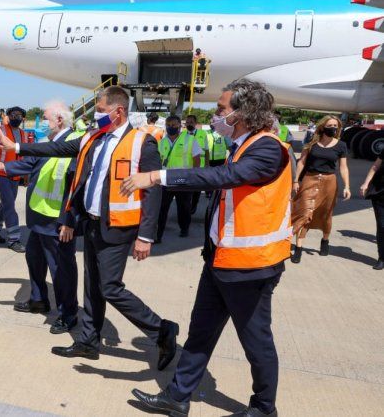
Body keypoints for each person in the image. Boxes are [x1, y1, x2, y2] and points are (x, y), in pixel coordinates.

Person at [125, 79, 292, 417]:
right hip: (221, 260)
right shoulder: (243, 144)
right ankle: (178, 396)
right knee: (200, 332)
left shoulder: (269, 148)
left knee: (255, 342)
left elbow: (221, 178)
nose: (215, 114)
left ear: (242, 114)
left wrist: (159, 176)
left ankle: (263, 408)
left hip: (250, 267)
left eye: (221, 109)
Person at [0, 86, 179, 368]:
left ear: (118, 112)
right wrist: (15, 147)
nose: (96, 116)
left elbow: (154, 192)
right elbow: (57, 147)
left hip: (118, 226)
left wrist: (145, 235)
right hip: (91, 223)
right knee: (92, 288)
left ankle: (160, 329)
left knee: (110, 287)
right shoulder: (93, 137)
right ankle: (88, 342)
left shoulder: (142, 143)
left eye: (101, 111)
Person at [0, 102, 83, 333]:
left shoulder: (74, 144)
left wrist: (68, 220)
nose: (44, 122)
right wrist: (5, 167)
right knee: (35, 261)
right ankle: (38, 300)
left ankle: (68, 313)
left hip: (57, 221)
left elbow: (76, 187)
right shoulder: (50, 142)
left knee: (61, 270)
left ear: (59, 120)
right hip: (38, 216)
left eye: (47, 118)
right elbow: (32, 161)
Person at [290, 115, 351, 264]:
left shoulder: (341, 145)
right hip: (309, 180)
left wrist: (347, 186)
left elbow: (343, 167)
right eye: (330, 126)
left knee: (325, 215)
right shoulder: (311, 144)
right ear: (323, 127)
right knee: (305, 212)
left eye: (336, 126)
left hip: (329, 183)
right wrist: (296, 180)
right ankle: (298, 248)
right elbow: (301, 163)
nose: (333, 129)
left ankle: (325, 240)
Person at [0, 106, 27, 253]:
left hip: (15, 176)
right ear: (8, 116)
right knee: (9, 206)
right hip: (0, 176)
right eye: (13, 114)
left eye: (19, 115)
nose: (16, 117)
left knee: (5, 205)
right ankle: (14, 239)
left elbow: (24, 156)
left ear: (23, 118)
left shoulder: (23, 134)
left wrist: (25, 176)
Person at [156, 115, 201, 243]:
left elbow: (196, 159)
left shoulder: (190, 139)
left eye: (174, 125)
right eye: (169, 125)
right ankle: (158, 234)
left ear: (179, 127)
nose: (171, 127)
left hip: (183, 180)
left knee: (184, 207)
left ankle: (184, 228)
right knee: (162, 208)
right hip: (165, 180)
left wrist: (194, 176)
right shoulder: (162, 142)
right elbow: (158, 161)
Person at [360, 152, 384, 270]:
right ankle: (382, 258)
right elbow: (375, 166)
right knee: (382, 226)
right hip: (380, 193)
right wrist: (366, 183)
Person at [185, 115, 210, 214]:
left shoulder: (202, 134)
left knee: (197, 189)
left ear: (195, 123)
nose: (189, 124)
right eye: (187, 122)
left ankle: (194, 205)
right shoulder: (183, 135)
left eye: (191, 122)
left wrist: (207, 165)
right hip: (187, 167)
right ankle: (187, 207)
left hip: (200, 167)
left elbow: (207, 150)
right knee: (187, 189)